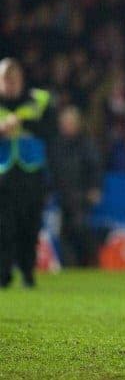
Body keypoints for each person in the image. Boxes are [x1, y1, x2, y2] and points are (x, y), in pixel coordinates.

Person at [0, 57, 55, 288]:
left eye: (13, 79)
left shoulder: (38, 100)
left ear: (21, 79)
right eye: (5, 80)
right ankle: (3, 275)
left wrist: (21, 124)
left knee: (30, 225)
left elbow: (51, 130)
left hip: (31, 173)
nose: (10, 84)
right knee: (4, 227)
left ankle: (27, 273)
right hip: (3, 173)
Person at [48, 105, 103, 266]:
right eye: (65, 123)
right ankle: (69, 264)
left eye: (71, 122)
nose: (67, 126)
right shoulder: (55, 145)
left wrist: (95, 188)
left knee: (80, 228)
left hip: (81, 196)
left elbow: (95, 168)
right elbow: (51, 171)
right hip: (62, 197)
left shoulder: (86, 145)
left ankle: (88, 262)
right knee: (64, 233)